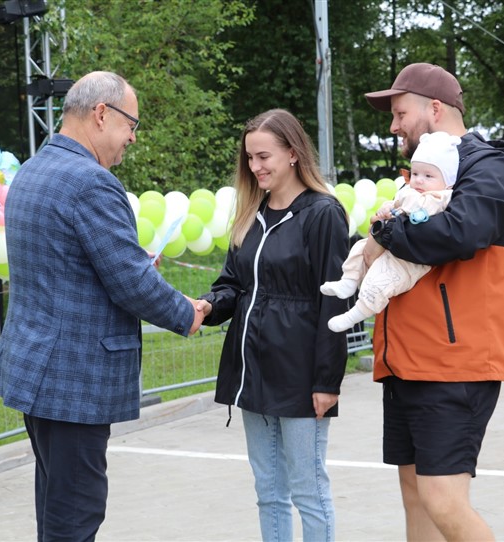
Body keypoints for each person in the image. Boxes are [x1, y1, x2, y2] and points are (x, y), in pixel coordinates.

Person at [0, 71, 205, 542]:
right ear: (102, 114)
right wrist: (187, 313)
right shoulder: (92, 182)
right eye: (132, 124)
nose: (133, 137)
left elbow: (66, 261)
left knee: (57, 509)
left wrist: (130, 257)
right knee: (75, 517)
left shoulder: (34, 170)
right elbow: (131, 283)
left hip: (40, 372)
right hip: (74, 380)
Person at [362, 63, 504, 540]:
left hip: (456, 363)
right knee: (416, 495)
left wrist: (384, 232)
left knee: (442, 499)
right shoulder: (425, 175)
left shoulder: (488, 165)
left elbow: (459, 232)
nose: (393, 126)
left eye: (400, 114)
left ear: (435, 109)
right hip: (409, 359)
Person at [195, 109, 349, 542]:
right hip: (252, 373)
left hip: (300, 375)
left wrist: (327, 380)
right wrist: (208, 306)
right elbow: (232, 284)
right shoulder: (251, 214)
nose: (255, 166)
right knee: (268, 492)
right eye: (249, 158)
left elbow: (335, 300)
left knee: (308, 491)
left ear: (293, 153)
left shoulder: (323, 213)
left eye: (263, 156)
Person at [321, 131, 461, 332]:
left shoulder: (441, 197)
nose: (419, 180)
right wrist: (387, 208)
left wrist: (399, 202)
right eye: (415, 174)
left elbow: (417, 207)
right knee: (359, 247)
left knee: (382, 280)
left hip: (410, 261)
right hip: (393, 246)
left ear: (447, 181)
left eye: (428, 176)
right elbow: (396, 206)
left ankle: (355, 315)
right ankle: (348, 281)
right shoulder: (412, 191)